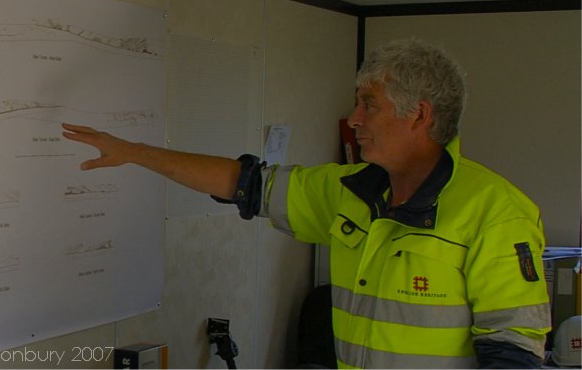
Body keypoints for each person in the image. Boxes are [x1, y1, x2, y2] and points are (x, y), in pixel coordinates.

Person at [62, 38, 551, 369]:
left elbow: (514, 353)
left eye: (369, 104)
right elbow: (245, 183)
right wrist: (133, 153)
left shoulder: (495, 211)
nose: (354, 119)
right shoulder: (351, 191)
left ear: (419, 115)